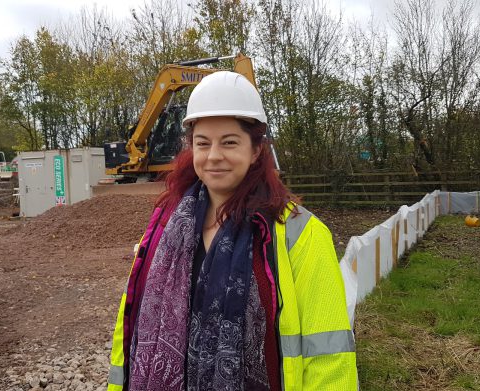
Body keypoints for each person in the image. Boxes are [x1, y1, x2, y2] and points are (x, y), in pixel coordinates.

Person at [107, 71, 357, 391]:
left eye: (229, 142)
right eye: (203, 143)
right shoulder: (162, 231)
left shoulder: (302, 235)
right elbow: (127, 332)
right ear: (191, 149)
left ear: (255, 150)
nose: (213, 156)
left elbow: (328, 356)